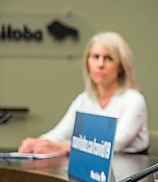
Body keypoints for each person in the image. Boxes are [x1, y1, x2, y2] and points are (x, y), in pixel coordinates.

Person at [18, 32, 149, 155]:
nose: (100, 64)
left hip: (130, 172)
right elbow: (60, 134)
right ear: (87, 63)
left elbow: (116, 143)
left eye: (108, 58)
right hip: (92, 169)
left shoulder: (134, 100)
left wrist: (64, 147)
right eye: (95, 57)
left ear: (120, 66)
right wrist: (37, 143)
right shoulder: (84, 99)